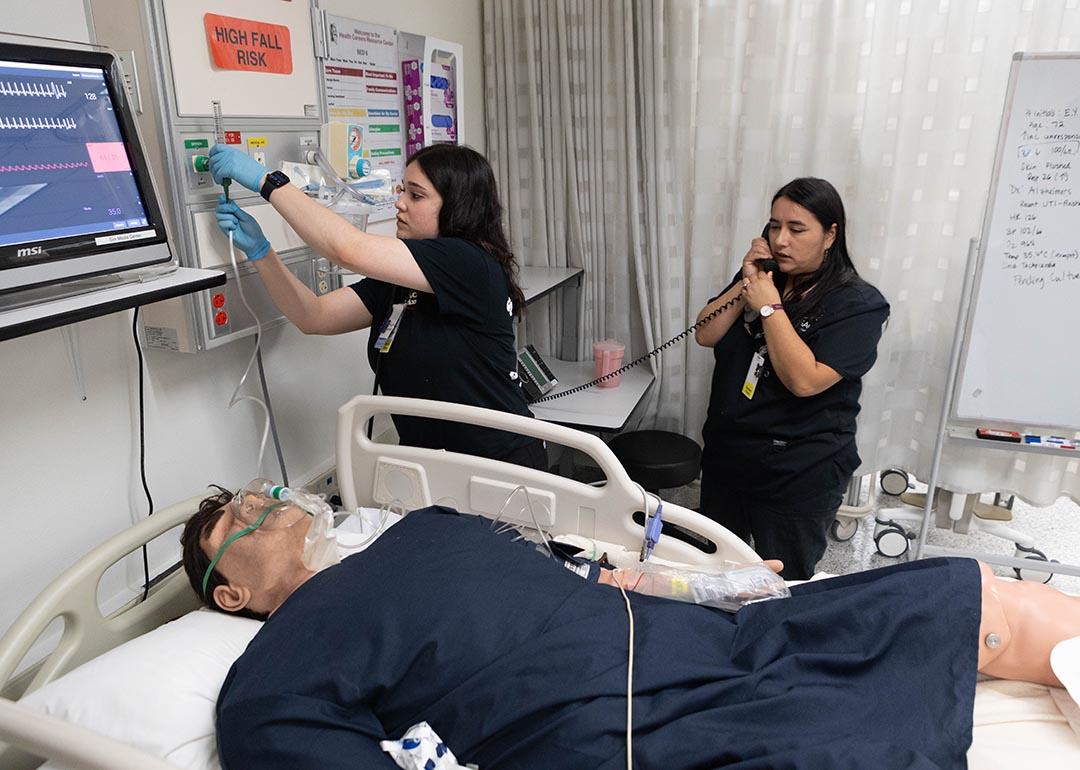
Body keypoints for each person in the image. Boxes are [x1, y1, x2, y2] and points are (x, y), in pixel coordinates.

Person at [181, 487, 1080, 769]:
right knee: (832, 743)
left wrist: (724, 588)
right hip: (610, 713)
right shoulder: (268, 678)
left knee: (947, 593)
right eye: (239, 523)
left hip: (688, 631)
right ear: (230, 594)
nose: (266, 503)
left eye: (261, 491)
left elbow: (596, 568)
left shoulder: (426, 524)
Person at [207, 143, 546, 469]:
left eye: (415, 195)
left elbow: (349, 250)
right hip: (434, 466)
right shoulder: (401, 282)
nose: (400, 204)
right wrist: (262, 253)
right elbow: (314, 316)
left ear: (458, 205)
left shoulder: (471, 264)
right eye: (401, 191)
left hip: (502, 465)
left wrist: (268, 182)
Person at [694, 178, 890, 580]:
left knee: (785, 581)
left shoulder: (858, 305)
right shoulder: (764, 278)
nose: (781, 240)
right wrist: (748, 279)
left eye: (796, 229)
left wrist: (769, 307)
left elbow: (805, 381)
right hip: (730, 455)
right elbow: (704, 333)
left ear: (830, 234)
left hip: (798, 471)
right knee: (715, 569)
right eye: (773, 226)